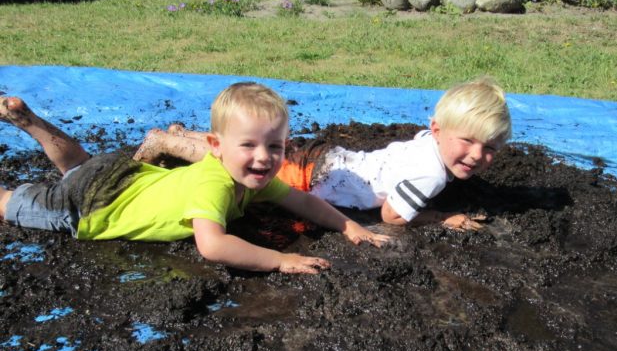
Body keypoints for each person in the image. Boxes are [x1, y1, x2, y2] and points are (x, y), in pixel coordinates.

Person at [0, 83, 390, 274]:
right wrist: (280, 259)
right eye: (249, 145)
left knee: (81, 166)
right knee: (18, 204)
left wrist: (348, 225)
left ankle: (30, 123)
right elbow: (213, 246)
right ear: (214, 145)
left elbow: (301, 201)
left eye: (275, 147)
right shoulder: (214, 185)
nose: (264, 158)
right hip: (89, 207)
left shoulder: (248, 176)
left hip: (120, 171)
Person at [134, 78, 512, 231]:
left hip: (334, 159)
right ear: (438, 130)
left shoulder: (430, 142)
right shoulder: (430, 174)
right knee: (242, 163)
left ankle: (184, 135)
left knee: (246, 145)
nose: (477, 156)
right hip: (320, 180)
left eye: (490, 149)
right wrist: (442, 217)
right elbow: (392, 216)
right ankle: (168, 143)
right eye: (469, 142)